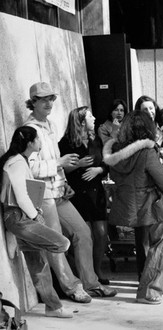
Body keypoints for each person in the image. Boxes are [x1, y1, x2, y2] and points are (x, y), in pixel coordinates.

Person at [24, 82, 116, 302]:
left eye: (51, 99)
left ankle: (91, 284)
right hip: (42, 194)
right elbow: (31, 168)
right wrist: (60, 163)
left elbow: (56, 163)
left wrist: (64, 180)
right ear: (33, 102)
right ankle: (72, 288)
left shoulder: (50, 125)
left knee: (83, 233)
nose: (49, 103)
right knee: (56, 242)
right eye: (43, 99)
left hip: (58, 191)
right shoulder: (29, 130)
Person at [0, 126, 73, 318]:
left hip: (21, 218)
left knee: (39, 265)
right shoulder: (15, 162)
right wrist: (35, 216)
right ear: (30, 142)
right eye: (38, 139)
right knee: (63, 243)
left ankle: (53, 307)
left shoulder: (21, 161)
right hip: (19, 218)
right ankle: (22, 240)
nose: (40, 142)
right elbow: (21, 196)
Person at [103, 110, 163, 304]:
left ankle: (150, 288)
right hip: (151, 204)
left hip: (127, 203)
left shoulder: (114, 152)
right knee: (160, 243)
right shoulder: (147, 152)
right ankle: (149, 291)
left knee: (147, 245)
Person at [59, 106, 109, 285]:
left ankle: (97, 268)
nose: (94, 118)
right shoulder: (66, 143)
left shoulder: (96, 141)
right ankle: (86, 273)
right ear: (80, 121)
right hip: (78, 194)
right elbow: (61, 169)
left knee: (101, 233)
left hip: (97, 193)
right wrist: (78, 164)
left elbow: (106, 164)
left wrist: (99, 170)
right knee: (84, 235)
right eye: (90, 116)